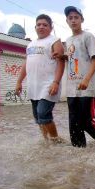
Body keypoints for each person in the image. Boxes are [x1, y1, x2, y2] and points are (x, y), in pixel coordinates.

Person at [61, 6, 95, 147]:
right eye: (70, 18)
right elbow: (74, 58)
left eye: (76, 17)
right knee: (73, 123)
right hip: (72, 88)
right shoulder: (68, 40)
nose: (73, 20)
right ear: (66, 21)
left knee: (85, 121)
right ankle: (79, 153)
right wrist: (62, 56)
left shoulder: (88, 36)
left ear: (81, 19)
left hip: (87, 87)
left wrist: (86, 80)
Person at [15, 14, 65, 143]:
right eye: (39, 25)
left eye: (45, 25)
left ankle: (55, 141)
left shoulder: (55, 41)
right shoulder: (30, 44)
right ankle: (46, 141)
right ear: (35, 27)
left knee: (43, 114)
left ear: (51, 27)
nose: (41, 27)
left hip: (49, 85)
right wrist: (19, 82)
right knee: (38, 118)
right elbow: (26, 64)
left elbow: (61, 62)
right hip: (34, 86)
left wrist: (56, 82)